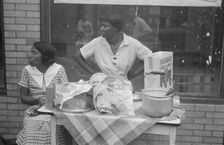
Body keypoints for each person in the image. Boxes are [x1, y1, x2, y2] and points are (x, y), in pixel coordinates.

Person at [16, 41, 69, 145]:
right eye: (30, 52)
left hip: (55, 112)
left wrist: (54, 100)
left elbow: (67, 94)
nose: (29, 55)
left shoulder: (59, 70)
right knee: (30, 134)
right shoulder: (27, 70)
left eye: (34, 52)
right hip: (34, 112)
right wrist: (37, 100)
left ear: (44, 56)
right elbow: (22, 97)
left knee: (52, 131)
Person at [74, 13, 153, 80]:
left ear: (115, 28)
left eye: (105, 26)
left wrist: (134, 73)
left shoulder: (132, 43)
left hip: (124, 87)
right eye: (101, 26)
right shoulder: (97, 42)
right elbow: (77, 56)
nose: (101, 29)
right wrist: (94, 74)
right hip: (102, 85)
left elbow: (151, 58)